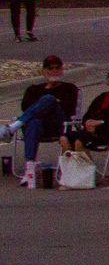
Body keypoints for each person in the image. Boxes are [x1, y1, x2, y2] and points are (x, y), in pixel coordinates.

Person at [0, 54, 80, 185]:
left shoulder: (69, 88)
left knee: (48, 99)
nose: (54, 71)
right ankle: (30, 167)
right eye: (50, 68)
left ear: (62, 70)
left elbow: (69, 108)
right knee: (34, 122)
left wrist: (50, 103)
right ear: (43, 71)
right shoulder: (33, 89)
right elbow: (26, 108)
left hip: (58, 124)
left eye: (57, 68)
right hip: (37, 127)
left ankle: (13, 127)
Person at [62, 66, 109, 156]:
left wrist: (100, 123)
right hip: (92, 132)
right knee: (64, 138)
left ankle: (83, 169)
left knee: (80, 141)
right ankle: (72, 167)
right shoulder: (102, 97)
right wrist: (87, 122)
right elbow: (87, 115)